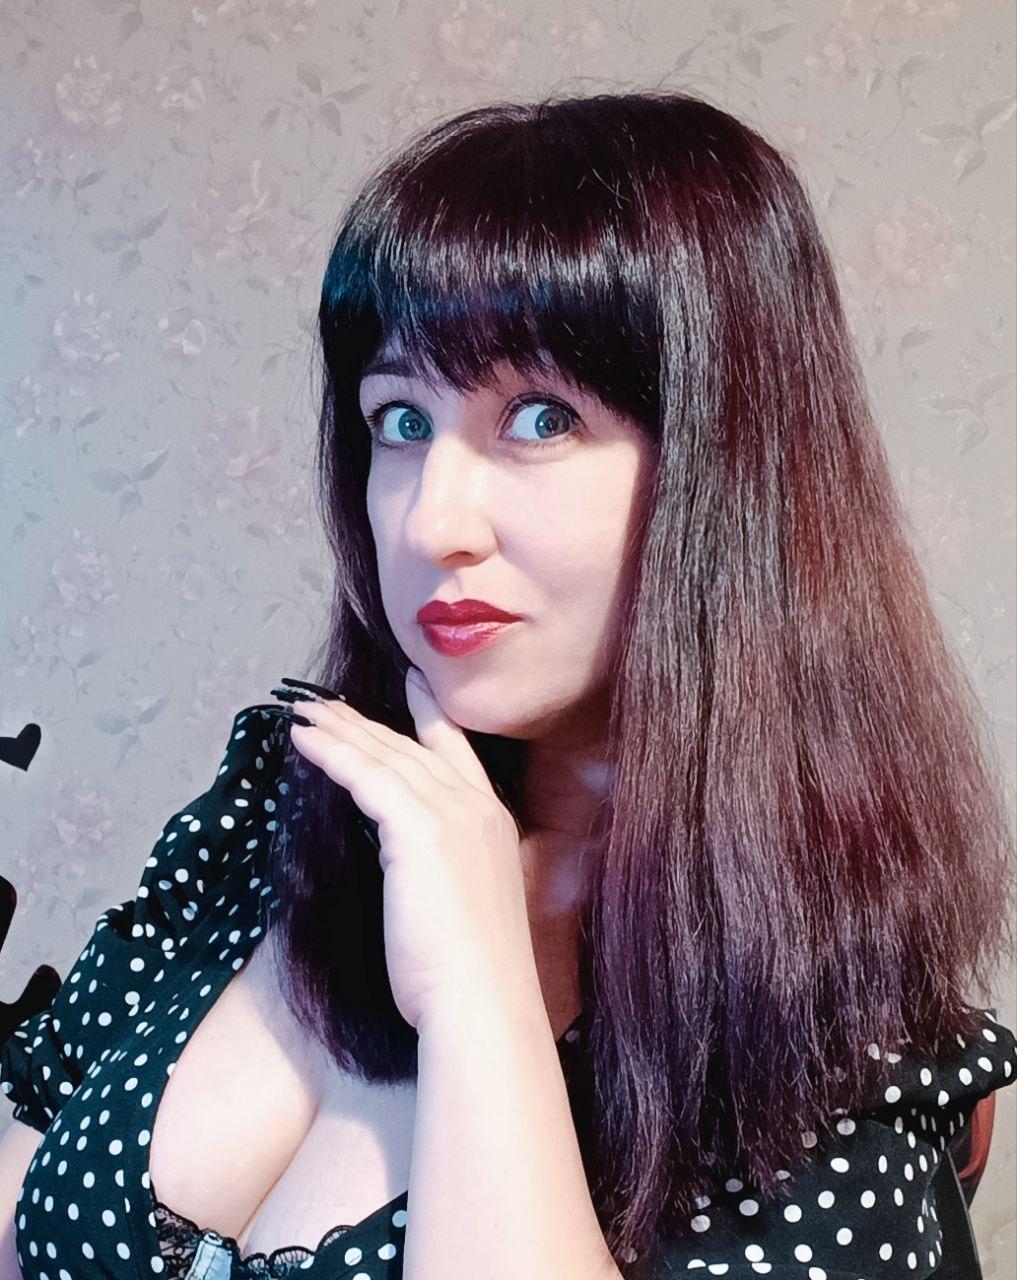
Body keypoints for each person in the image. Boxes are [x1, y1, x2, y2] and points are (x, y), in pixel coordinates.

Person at [2, 89, 1016, 1280]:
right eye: (399, 419)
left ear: (731, 466)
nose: (432, 521)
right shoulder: (286, 801)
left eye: (540, 418)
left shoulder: (831, 1033)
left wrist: (477, 987)